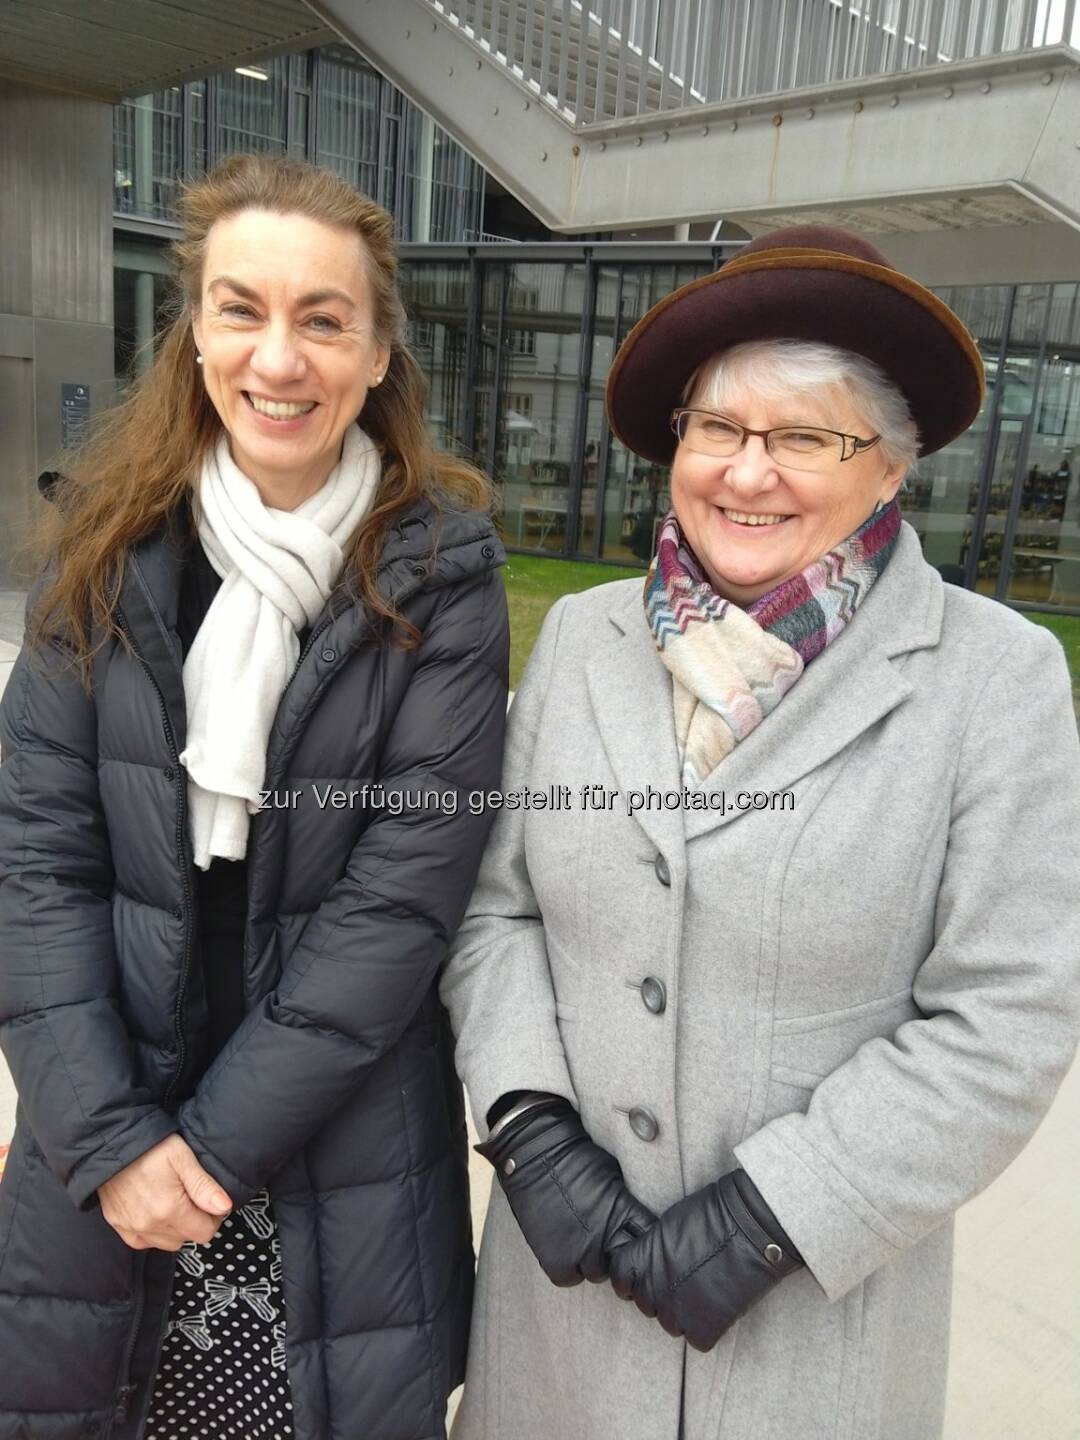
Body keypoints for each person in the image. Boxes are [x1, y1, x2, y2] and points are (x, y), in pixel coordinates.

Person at [440, 225, 1080, 1440]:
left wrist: (772, 1216)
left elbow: (1007, 1016)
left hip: (811, 1341)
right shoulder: (584, 639)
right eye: (719, 428)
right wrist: (526, 1126)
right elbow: (498, 907)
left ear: (890, 468)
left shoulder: (995, 680)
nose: (746, 472)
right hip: (559, 1330)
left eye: (803, 437)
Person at [0, 153, 508, 1440]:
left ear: (380, 352)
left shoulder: (442, 573)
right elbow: (35, 866)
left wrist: (207, 1159)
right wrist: (109, 1139)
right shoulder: (102, 555)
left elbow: (401, 907)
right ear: (195, 331)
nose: (278, 359)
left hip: (325, 1154)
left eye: (323, 319)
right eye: (242, 309)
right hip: (104, 1130)